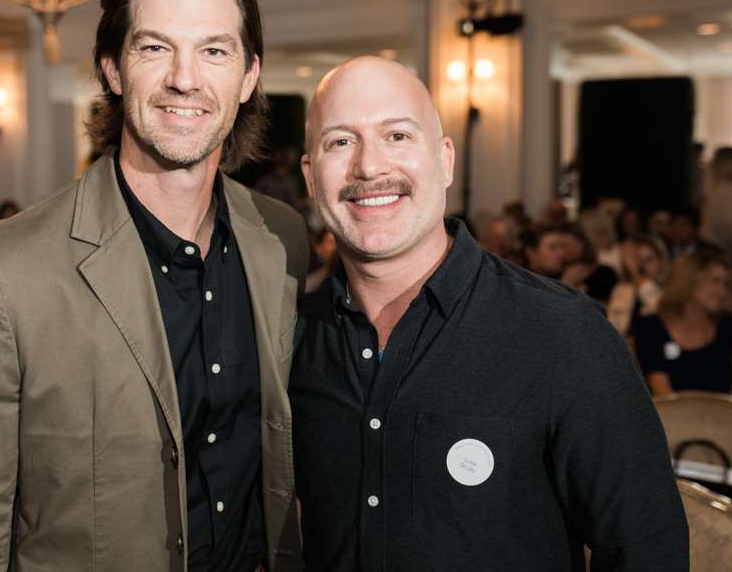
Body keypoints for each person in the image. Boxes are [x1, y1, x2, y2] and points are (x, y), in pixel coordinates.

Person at [0, 0, 309, 572]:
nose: (185, 78)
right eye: (154, 48)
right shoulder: (4, 270)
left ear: (249, 76)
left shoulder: (280, 238)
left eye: (214, 51)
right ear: (113, 71)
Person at [290, 56, 687, 571]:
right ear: (310, 177)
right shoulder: (289, 339)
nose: (369, 166)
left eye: (398, 136)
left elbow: (647, 550)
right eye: (341, 141)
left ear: (445, 160)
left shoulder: (561, 333)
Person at [632, 250, 732, 396]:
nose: (722, 291)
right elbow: (660, 390)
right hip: (670, 410)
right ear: (690, 280)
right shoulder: (652, 327)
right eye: (715, 281)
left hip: (721, 409)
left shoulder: (726, 324)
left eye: (726, 284)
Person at [607, 236, 667, 337]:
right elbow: (615, 328)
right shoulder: (622, 289)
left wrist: (636, 274)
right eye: (637, 261)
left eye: (648, 260)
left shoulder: (671, 286)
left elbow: (659, 309)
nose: (642, 267)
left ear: (661, 260)